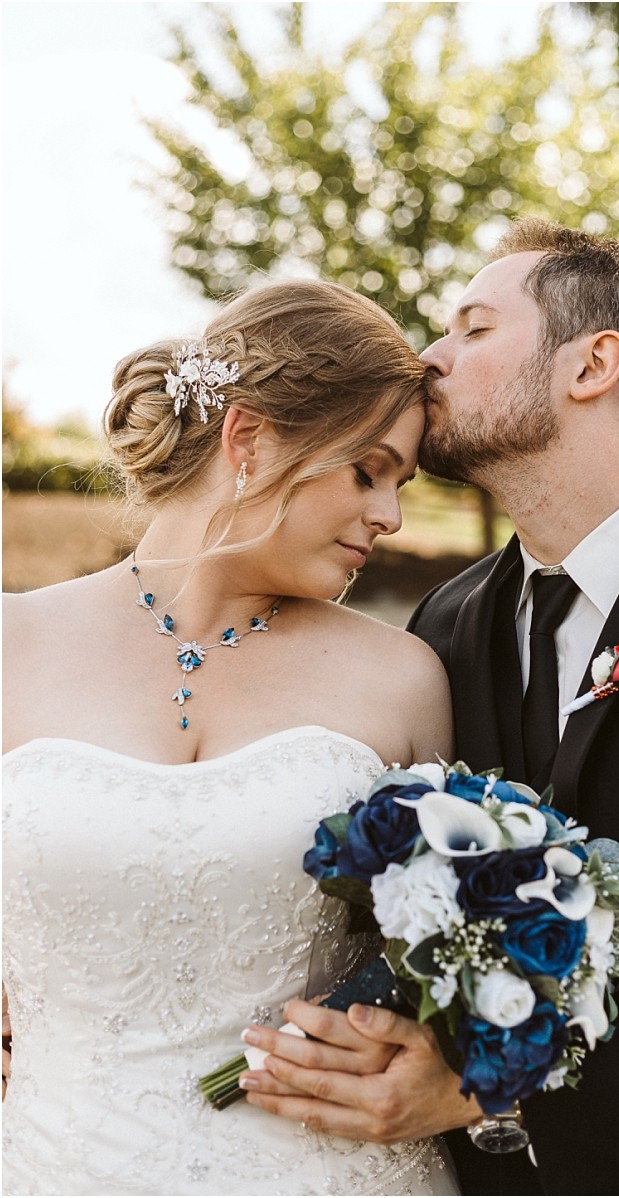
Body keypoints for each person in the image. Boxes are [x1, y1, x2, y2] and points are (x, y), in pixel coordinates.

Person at [236, 219, 619, 1197]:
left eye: (470, 326)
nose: (427, 358)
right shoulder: (443, 623)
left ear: (591, 364)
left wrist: (484, 1091)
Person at [2, 279, 462, 1196]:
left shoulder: (404, 679)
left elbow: (442, 953)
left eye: (402, 484)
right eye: (367, 471)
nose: (392, 516)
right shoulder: (13, 644)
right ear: (247, 438)